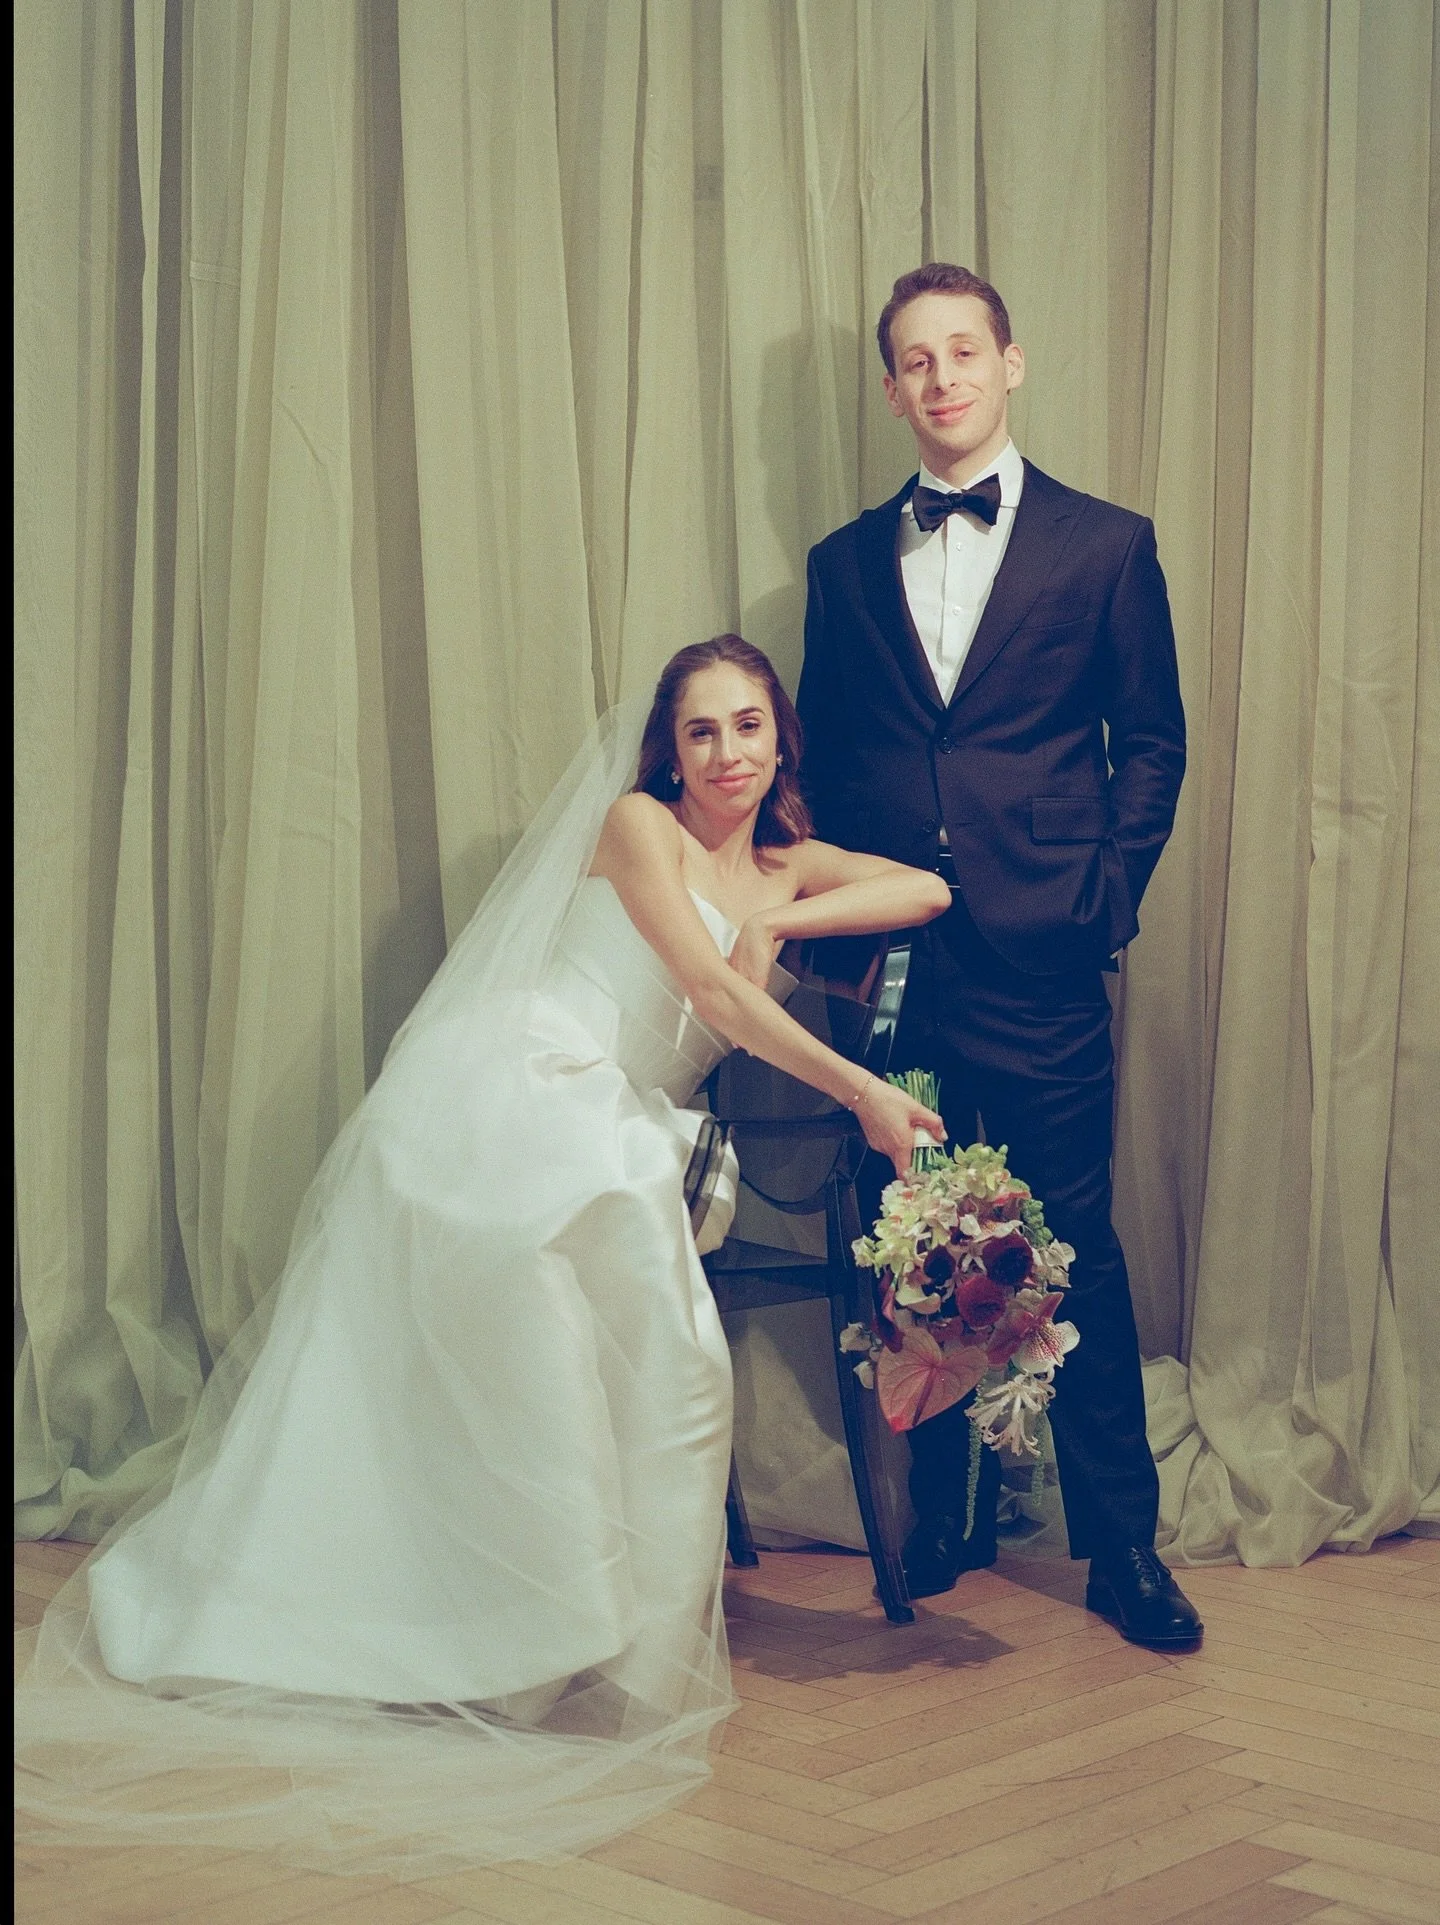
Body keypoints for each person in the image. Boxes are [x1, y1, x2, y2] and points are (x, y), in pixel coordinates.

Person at [14, 635, 949, 1876]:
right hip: (520, 1091)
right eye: (700, 732)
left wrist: (781, 903)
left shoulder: (779, 857)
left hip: (610, 1126)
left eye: (746, 726)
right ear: (668, 752)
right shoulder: (638, 826)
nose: (726, 753)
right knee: (574, 1284)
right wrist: (867, 1095)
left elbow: (924, 890)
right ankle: (502, 1625)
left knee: (655, 1324)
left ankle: (575, 1632)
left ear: (783, 737)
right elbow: (716, 1004)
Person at [797, 263, 1202, 1649]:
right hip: (902, 967)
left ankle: (1123, 1549)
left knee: (1069, 1239)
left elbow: (1153, 743)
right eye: (914, 360)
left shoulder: (1106, 547)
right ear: (894, 386)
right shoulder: (842, 566)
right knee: (918, 1237)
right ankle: (956, 1507)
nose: (942, 378)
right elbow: (831, 767)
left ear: (1009, 365)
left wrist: (1106, 895)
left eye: (963, 351)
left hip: (1042, 952)